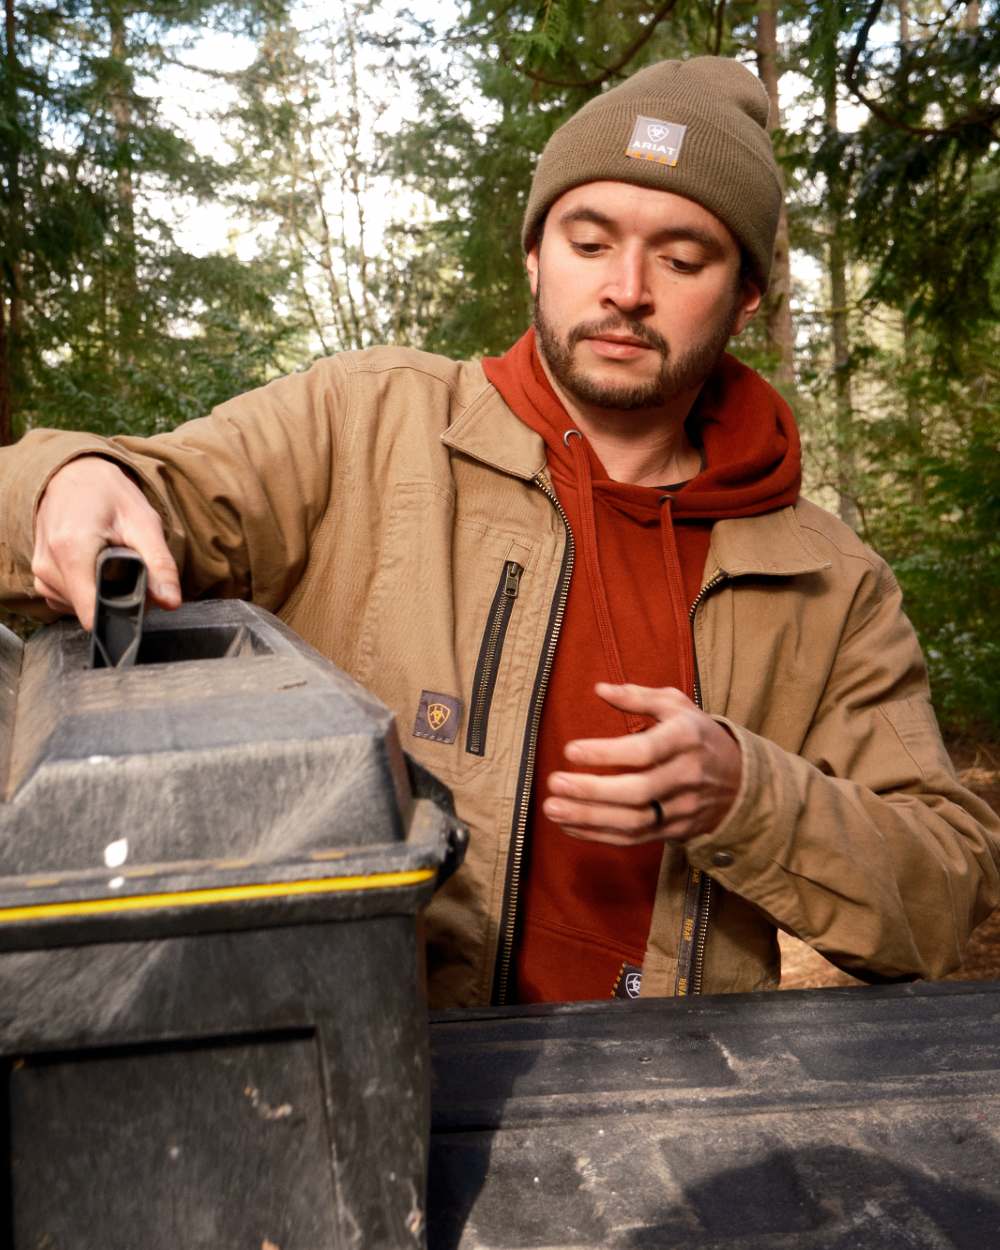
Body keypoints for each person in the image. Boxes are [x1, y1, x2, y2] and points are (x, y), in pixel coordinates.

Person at [1, 57, 997, 1008]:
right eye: (589, 241)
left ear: (744, 294)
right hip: (378, 1070)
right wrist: (68, 479)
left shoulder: (827, 577)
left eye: (683, 256)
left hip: (673, 1104)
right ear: (533, 253)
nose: (625, 288)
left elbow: (944, 896)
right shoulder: (366, 424)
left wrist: (747, 795)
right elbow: (130, 489)